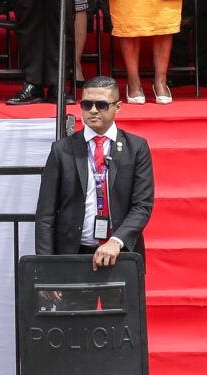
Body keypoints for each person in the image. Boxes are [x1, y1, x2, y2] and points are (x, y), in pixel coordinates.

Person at [33, 74, 154, 267]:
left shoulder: (136, 148)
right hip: (73, 253)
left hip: (121, 252)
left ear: (118, 107)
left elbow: (142, 205)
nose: (93, 110)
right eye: (87, 104)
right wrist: (46, 265)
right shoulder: (62, 150)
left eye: (102, 105)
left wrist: (116, 241)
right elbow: (45, 214)